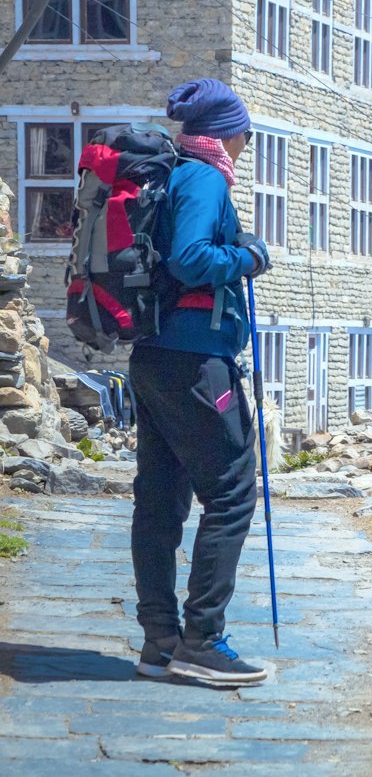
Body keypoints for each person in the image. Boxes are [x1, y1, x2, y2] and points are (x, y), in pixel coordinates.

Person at [130, 78, 271, 687]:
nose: (246, 144)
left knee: (160, 498)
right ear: (226, 135)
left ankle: (159, 640)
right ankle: (203, 640)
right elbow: (191, 260)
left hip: (154, 356)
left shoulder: (167, 176)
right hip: (195, 362)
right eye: (244, 132)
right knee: (233, 492)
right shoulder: (206, 179)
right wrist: (251, 256)